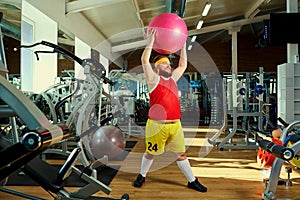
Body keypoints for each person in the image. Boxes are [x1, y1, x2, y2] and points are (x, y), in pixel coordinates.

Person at [132, 28, 207, 192]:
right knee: (150, 153)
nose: (168, 65)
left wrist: (183, 44)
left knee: (182, 154)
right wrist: (150, 41)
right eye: (165, 64)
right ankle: (142, 175)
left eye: (168, 63)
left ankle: (192, 180)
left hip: (175, 125)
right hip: (156, 126)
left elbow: (183, 64)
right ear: (157, 68)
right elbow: (144, 60)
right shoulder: (153, 80)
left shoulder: (173, 79)